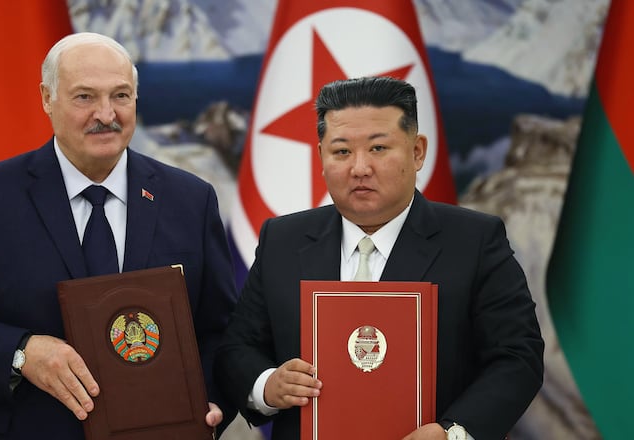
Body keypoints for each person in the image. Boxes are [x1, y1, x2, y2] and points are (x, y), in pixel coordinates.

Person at [0, 32, 238, 439]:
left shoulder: (190, 199)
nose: (106, 113)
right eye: (84, 97)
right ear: (47, 98)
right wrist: (22, 353)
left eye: (121, 95)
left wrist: (215, 400)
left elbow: (221, 331)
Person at [214, 76, 544, 440]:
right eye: (341, 152)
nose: (359, 168)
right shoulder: (283, 240)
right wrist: (268, 385)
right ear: (321, 156)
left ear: (417, 152)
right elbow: (238, 346)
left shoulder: (474, 241)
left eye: (378, 149)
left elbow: (517, 356)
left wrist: (454, 433)